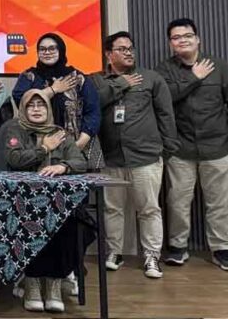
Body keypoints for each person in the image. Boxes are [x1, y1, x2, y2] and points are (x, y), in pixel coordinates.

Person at [89, 31, 179, 279]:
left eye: (131, 48)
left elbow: (166, 116)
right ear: (109, 54)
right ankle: (115, 252)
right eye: (122, 49)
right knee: (113, 208)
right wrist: (121, 84)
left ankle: (152, 256)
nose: (129, 52)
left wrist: (166, 149)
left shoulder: (151, 78)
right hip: (111, 157)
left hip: (146, 156)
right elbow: (92, 104)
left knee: (149, 208)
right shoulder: (97, 80)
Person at [0, 89, 88, 313]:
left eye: (41, 105)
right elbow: (15, 159)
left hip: (57, 203)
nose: (36, 109)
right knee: (32, 228)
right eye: (31, 105)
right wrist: (44, 148)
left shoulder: (59, 133)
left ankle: (54, 284)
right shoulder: (15, 129)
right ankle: (33, 284)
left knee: (72, 226)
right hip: (23, 203)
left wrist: (63, 166)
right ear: (23, 109)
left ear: (48, 109)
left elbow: (80, 161)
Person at [155, 18, 228, 270]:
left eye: (187, 36)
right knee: (177, 200)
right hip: (181, 148)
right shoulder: (164, 70)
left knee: (219, 201)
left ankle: (221, 248)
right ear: (170, 43)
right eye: (176, 37)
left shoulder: (218, 66)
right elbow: (163, 102)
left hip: (217, 147)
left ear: (197, 39)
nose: (182, 40)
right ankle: (177, 247)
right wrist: (193, 78)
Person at [13, 33, 100, 153]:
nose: (47, 52)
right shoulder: (29, 76)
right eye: (42, 49)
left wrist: (81, 142)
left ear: (61, 50)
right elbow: (21, 100)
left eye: (52, 48)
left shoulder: (78, 78)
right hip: (38, 146)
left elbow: (93, 111)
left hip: (77, 143)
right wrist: (53, 90)